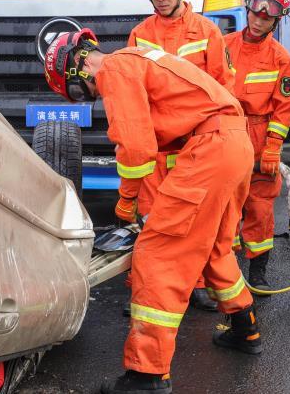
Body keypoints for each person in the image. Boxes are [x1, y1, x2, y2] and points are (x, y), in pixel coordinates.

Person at [42, 29, 261, 394]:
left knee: (160, 254)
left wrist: (126, 202)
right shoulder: (139, 58)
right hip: (233, 144)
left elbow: (136, 149)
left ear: (78, 65)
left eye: (78, 91)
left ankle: (147, 375)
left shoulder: (113, 70)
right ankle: (245, 328)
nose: (89, 97)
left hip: (212, 148)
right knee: (213, 246)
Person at [125, 0, 235, 311]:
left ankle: (198, 284)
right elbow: (133, 90)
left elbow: (223, 89)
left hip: (196, 145)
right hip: (158, 146)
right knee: (152, 221)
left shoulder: (207, 32)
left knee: (197, 218)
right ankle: (147, 290)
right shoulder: (140, 34)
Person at [223, 0, 290, 292]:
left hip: (258, 138)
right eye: (255, 12)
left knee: (260, 209)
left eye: (266, 17)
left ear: (276, 20)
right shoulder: (223, 46)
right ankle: (221, 272)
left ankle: (257, 272)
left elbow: (284, 110)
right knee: (223, 207)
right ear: (248, 7)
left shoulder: (282, 59)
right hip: (225, 133)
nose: (257, 20)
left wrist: (272, 149)